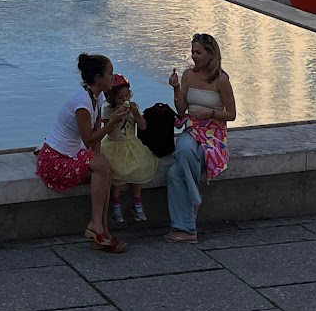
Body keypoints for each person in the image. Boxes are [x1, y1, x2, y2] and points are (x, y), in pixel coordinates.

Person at [35, 52, 123, 253]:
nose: (113, 77)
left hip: (70, 156)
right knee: (102, 166)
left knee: (104, 169)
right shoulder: (82, 103)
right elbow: (89, 139)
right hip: (53, 160)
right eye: (110, 73)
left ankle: (103, 230)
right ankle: (95, 225)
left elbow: (95, 144)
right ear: (98, 78)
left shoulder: (97, 96)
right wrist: (112, 123)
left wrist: (100, 161)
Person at [166, 33, 235, 242]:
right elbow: (181, 110)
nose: (194, 56)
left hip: (214, 133)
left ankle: (186, 230)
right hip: (192, 128)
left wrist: (210, 113)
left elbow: (231, 114)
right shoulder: (188, 75)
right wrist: (176, 88)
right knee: (184, 149)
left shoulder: (221, 80)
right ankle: (194, 199)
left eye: (199, 52)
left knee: (173, 174)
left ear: (210, 53)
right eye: (193, 52)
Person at [99, 78, 161, 225]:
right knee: (116, 174)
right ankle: (115, 205)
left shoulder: (133, 109)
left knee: (138, 171)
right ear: (112, 98)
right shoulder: (108, 111)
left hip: (131, 144)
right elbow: (106, 130)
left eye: (127, 96)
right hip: (114, 145)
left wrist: (136, 114)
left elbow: (143, 126)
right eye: (120, 97)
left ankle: (138, 203)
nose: (125, 99)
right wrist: (115, 118)